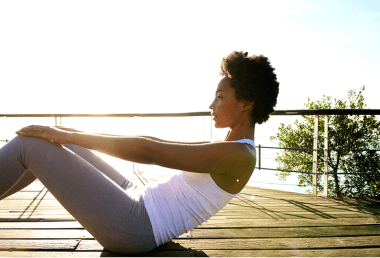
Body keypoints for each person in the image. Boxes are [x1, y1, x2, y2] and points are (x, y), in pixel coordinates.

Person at [0, 51, 279, 254]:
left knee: (32, 144)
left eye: (220, 97)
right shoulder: (231, 146)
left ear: (246, 104)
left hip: (136, 226)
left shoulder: (240, 155)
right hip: (138, 198)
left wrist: (66, 135)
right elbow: (150, 141)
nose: (211, 104)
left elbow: (150, 153)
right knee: (60, 139)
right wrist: (69, 136)